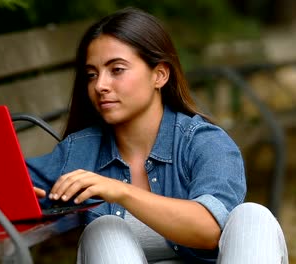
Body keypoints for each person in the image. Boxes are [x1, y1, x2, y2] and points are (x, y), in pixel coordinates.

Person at [26, 7, 288, 264]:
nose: (100, 85)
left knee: (254, 217)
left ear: (160, 75)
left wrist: (120, 191)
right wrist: (19, 195)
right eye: (92, 75)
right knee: (103, 229)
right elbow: (4, 185)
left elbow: (208, 230)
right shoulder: (81, 151)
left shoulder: (205, 142)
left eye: (116, 70)